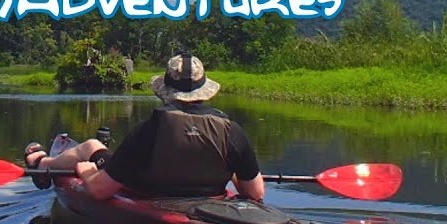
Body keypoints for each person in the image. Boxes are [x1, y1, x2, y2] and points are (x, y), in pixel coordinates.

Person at [23, 52, 266, 201]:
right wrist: (233, 174)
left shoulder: (151, 129)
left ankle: (41, 164)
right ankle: (42, 164)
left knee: (91, 146)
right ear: (206, 91)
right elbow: (255, 194)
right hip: (208, 194)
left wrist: (86, 171)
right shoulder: (232, 131)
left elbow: (99, 191)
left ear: (166, 91)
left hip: (148, 191)